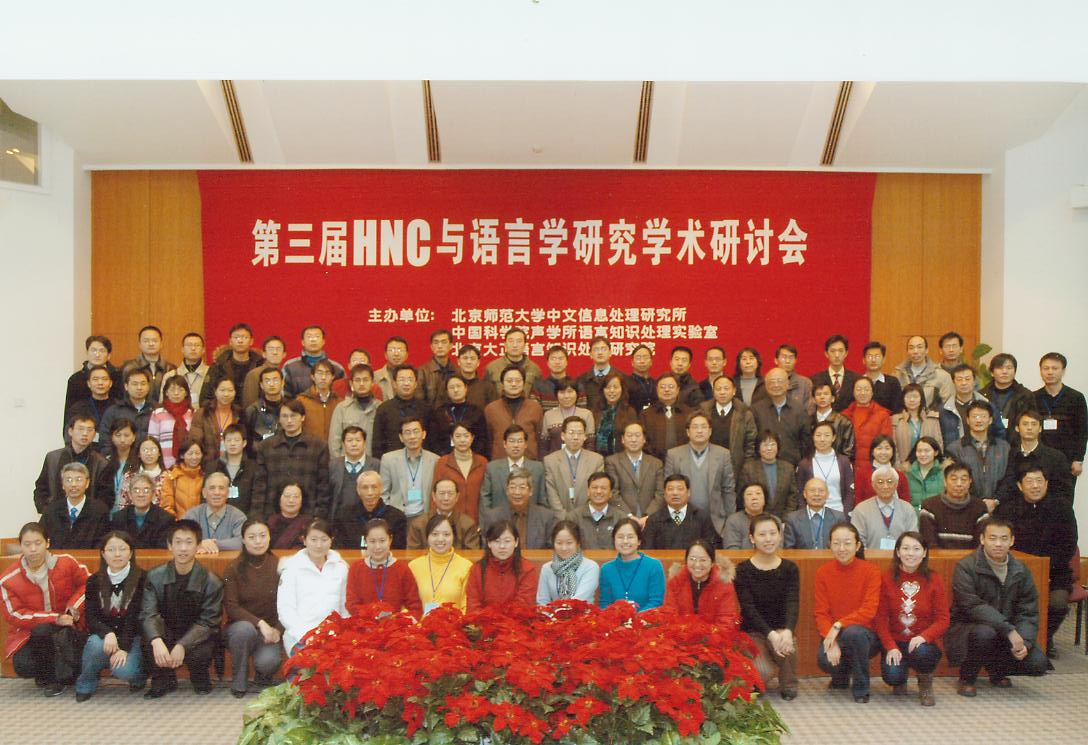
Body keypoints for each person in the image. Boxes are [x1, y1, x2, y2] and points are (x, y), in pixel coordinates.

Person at [946, 517, 1048, 696]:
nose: (998, 544)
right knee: (985, 633)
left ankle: (997, 671)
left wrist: (1025, 642)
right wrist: (1009, 630)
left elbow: (1028, 612)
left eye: (1004, 538)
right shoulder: (966, 566)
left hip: (1006, 631)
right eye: (992, 538)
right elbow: (972, 606)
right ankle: (967, 678)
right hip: (969, 630)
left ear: (1012, 541)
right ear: (982, 539)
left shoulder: (1021, 570)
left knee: (1038, 664)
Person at [994, 466, 1078, 657]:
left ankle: (1044, 639)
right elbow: (1002, 545)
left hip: (1054, 573)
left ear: (1046, 483)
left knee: (1058, 603)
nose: (1035, 486)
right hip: (1015, 572)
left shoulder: (1062, 508)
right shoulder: (1007, 510)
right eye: (1030, 481)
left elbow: (1068, 544)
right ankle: (1013, 641)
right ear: (1020, 485)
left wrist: (1045, 570)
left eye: (1039, 481)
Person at [0, 522, 89, 696]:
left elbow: (89, 585)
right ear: (20, 546)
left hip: (70, 626)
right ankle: (50, 676)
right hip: (31, 632)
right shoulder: (8, 579)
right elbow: (14, 614)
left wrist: (72, 609)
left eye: (38, 543)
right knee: (24, 664)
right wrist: (54, 618)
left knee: (52, 636)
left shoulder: (66, 562)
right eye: (27, 544)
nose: (33, 549)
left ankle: (60, 677)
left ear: (47, 543)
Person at [140, 520, 223, 697]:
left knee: (202, 651)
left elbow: (208, 622)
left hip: (196, 636)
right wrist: (156, 640)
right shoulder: (154, 576)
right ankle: (163, 679)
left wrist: (182, 645)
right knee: (150, 637)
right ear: (170, 546)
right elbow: (148, 614)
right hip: (166, 632)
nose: (183, 548)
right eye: (178, 542)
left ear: (198, 546)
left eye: (189, 542)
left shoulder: (212, 581)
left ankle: (199, 677)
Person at [875, 532, 949, 706]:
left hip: (923, 644)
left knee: (923, 653)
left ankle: (925, 681)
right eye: (906, 548)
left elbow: (943, 619)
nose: (910, 553)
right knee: (893, 676)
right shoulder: (886, 578)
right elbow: (880, 619)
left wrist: (924, 637)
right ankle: (901, 678)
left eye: (916, 549)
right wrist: (890, 647)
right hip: (896, 642)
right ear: (898, 552)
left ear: (924, 553)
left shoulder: (934, 579)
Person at [75, 530, 147, 701]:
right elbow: (91, 617)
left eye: (122, 549)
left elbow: (137, 618)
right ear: (103, 553)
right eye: (111, 549)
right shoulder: (94, 581)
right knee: (94, 645)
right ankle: (86, 684)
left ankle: (139, 677)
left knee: (124, 670)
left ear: (131, 553)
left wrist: (123, 647)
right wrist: (107, 633)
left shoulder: (143, 578)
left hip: (132, 637)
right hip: (105, 637)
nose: (117, 554)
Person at [814, 522, 882, 703]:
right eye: (836, 543)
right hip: (836, 633)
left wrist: (838, 625)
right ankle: (841, 676)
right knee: (824, 660)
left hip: (865, 636)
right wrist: (831, 639)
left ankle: (861, 688)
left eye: (847, 543)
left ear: (857, 545)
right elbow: (821, 613)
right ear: (829, 545)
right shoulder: (823, 572)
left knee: (854, 633)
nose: (842, 548)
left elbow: (868, 611)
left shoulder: (872, 571)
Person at [734, 514, 800, 700]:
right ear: (752, 538)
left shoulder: (790, 568)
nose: (768, 539)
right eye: (762, 534)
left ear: (780, 535)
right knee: (763, 673)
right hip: (754, 632)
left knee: (789, 645)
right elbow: (748, 609)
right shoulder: (742, 570)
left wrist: (787, 631)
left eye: (772, 533)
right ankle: (761, 672)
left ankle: (789, 683)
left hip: (780, 630)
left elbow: (793, 603)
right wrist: (770, 635)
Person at [223, 519, 283, 697]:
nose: (258, 541)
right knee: (245, 629)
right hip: (240, 630)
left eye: (262, 536)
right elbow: (232, 607)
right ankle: (239, 682)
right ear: (243, 539)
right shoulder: (233, 568)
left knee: (269, 662)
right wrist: (260, 623)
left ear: (270, 537)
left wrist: (278, 629)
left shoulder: (279, 566)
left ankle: (263, 677)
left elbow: (288, 604)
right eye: (252, 537)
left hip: (270, 631)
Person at [252, 399, 331, 519]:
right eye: (284, 416)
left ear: (303, 417)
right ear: (279, 419)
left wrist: (319, 516)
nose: (289, 420)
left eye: (293, 416)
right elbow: (259, 485)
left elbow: (323, 486)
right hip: (272, 515)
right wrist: (257, 516)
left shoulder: (318, 446)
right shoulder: (266, 447)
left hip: (308, 514)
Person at [277, 519, 348, 652]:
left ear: (331, 540)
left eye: (324, 539)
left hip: (335, 635)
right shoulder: (292, 568)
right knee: (314, 662)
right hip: (300, 636)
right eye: (313, 539)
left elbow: (345, 608)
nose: (319, 545)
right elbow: (286, 610)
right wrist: (305, 635)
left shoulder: (341, 568)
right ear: (304, 540)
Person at [664, 413, 736, 536]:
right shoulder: (674, 455)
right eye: (695, 427)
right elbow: (668, 492)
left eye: (703, 427)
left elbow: (728, 490)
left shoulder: (723, 454)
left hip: (716, 522)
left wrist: (730, 523)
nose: (699, 431)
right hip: (682, 522)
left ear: (710, 431)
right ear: (688, 432)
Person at [33, 414, 111, 515]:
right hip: (56, 515)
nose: (85, 433)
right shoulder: (53, 457)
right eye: (80, 429)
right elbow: (41, 488)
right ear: (70, 431)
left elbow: (105, 495)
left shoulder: (101, 463)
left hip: (88, 517)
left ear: (94, 434)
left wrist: (95, 514)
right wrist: (46, 511)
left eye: (89, 430)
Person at [346, 518, 423, 617]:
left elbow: (415, 606)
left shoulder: (402, 569)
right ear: (365, 541)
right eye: (372, 541)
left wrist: (398, 620)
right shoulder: (356, 569)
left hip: (395, 624)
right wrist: (373, 614)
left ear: (390, 540)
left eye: (382, 541)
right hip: (364, 623)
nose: (377, 546)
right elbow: (352, 604)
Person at [996, 410, 1073, 503]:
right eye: (1025, 424)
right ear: (1017, 428)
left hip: (1047, 508)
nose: (1029, 428)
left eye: (1034, 424)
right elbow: (1006, 485)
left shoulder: (1056, 457)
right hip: (1015, 508)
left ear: (1040, 428)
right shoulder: (1009, 455)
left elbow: (1064, 490)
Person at [1034, 352, 1087, 488]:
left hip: (1067, 459)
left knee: (1064, 497)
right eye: (1046, 368)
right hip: (1040, 458)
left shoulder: (1076, 397)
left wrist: (1078, 459)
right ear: (1040, 371)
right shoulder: (1033, 397)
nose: (1050, 372)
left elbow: (1082, 430)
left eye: (1055, 368)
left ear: (1063, 371)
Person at [946, 401, 1010, 509]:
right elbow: (957, 480)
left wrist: (995, 500)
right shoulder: (954, 449)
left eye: (983, 416)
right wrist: (978, 503)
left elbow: (1009, 478)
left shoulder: (1004, 447)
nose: (979, 420)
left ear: (990, 420)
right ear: (967, 420)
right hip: (967, 507)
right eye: (975, 416)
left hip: (999, 507)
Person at [665, 539, 740, 629]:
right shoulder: (675, 581)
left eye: (703, 560)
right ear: (686, 561)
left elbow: (727, 619)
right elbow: (669, 614)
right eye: (692, 559)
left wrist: (706, 635)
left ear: (712, 563)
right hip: (680, 632)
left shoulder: (723, 583)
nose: (697, 564)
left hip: (715, 634)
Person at [466, 520, 540, 612]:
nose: (502, 546)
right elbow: (473, 605)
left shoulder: (527, 569)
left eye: (507, 541)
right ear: (489, 543)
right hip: (483, 620)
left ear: (516, 542)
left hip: (517, 620)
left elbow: (524, 605)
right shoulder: (477, 570)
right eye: (497, 541)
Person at [408, 514, 474, 614]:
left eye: (446, 534)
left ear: (454, 537)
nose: (440, 539)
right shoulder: (414, 566)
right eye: (435, 534)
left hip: (454, 622)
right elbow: (407, 605)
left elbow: (467, 607)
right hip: (420, 623)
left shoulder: (466, 567)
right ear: (427, 537)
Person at [604, 422, 665, 527]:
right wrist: (629, 515)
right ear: (622, 439)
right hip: (622, 518)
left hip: (651, 519)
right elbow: (613, 492)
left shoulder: (656, 463)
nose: (633, 439)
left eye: (637, 435)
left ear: (644, 439)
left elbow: (661, 492)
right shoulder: (612, 461)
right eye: (629, 435)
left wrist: (648, 516)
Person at [598, 517, 665, 612]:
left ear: (639, 541)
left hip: (647, 619)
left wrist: (634, 618)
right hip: (616, 619)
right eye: (620, 537)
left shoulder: (654, 566)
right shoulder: (607, 569)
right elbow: (605, 604)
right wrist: (616, 618)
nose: (625, 541)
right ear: (614, 540)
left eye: (630, 537)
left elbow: (656, 602)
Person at [543, 415, 606, 516]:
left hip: (587, 517)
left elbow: (597, 491)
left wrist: (582, 517)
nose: (576, 437)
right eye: (571, 433)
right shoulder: (550, 460)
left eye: (580, 433)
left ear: (585, 436)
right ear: (563, 436)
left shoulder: (596, 460)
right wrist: (563, 517)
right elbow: (551, 493)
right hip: (559, 518)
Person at [480, 467, 557, 549]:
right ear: (507, 491)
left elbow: (551, 550)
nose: (517, 492)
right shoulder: (493, 517)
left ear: (531, 491)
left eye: (522, 487)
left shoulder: (546, 517)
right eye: (512, 487)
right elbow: (486, 548)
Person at [479, 424, 547, 517]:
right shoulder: (492, 468)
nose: (516, 445)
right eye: (512, 441)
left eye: (519, 441)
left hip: (530, 521)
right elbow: (485, 500)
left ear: (526, 444)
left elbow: (542, 500)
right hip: (499, 522)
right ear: (505, 444)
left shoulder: (538, 468)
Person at [842, 377, 893, 501]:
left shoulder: (882, 415)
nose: (862, 393)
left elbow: (885, 445)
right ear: (853, 392)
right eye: (859, 389)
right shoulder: (844, 416)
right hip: (849, 469)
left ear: (872, 392)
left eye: (866, 389)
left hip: (874, 469)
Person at [380, 416, 440, 521]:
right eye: (407, 433)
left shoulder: (435, 460)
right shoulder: (388, 459)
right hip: (397, 517)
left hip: (425, 517)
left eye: (416, 432)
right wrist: (390, 515)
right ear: (401, 437)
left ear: (424, 434)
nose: (412, 436)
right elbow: (383, 493)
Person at [40, 462, 111, 550]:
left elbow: (104, 543)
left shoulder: (100, 510)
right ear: (62, 484)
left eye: (78, 480)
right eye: (69, 480)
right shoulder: (51, 510)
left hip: (89, 557)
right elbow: (41, 537)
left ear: (87, 483)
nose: (73, 484)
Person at [918, 462, 989, 549]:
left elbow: (980, 545)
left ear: (970, 482)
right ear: (945, 481)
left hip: (971, 557)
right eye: (954, 479)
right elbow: (929, 544)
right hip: (937, 557)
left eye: (964, 479)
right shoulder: (929, 506)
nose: (959, 484)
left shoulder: (979, 507)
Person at [332, 470, 407, 550]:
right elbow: (339, 549)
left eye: (374, 487)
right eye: (365, 487)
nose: (370, 493)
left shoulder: (397, 517)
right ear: (358, 490)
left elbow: (399, 551)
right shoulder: (344, 516)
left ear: (381, 489)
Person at [371, 365, 434, 460]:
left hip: (421, 461)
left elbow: (433, 441)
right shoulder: (384, 409)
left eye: (410, 380)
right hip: (393, 462)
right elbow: (377, 444)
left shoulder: (426, 409)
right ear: (394, 384)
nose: (406, 383)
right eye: (402, 380)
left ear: (416, 384)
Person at [751, 367, 811, 466]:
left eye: (779, 381)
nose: (776, 385)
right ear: (766, 385)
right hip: (763, 465)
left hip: (793, 464)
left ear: (787, 384)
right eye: (772, 382)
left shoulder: (799, 409)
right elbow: (751, 440)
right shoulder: (756, 410)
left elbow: (806, 440)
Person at [700, 374, 758, 476]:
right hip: (707, 465)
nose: (722, 392)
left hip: (736, 467)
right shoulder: (703, 412)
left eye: (726, 389)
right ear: (713, 392)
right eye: (718, 389)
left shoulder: (745, 414)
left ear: (734, 391)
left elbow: (751, 443)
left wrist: (747, 466)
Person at [642, 474, 719, 550]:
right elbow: (647, 550)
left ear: (688, 493)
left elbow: (711, 546)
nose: (675, 493)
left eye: (680, 489)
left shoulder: (701, 517)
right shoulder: (654, 520)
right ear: (664, 494)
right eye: (670, 489)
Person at [850, 466, 919, 549]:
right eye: (880, 482)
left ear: (896, 484)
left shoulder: (907, 509)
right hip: (870, 556)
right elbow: (858, 542)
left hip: (900, 556)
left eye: (890, 482)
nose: (885, 486)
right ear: (873, 485)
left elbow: (913, 539)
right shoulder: (861, 510)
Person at [484, 366, 545, 461]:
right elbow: (488, 439)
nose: (514, 384)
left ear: (524, 383)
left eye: (518, 380)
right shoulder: (491, 409)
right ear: (502, 383)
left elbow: (540, 438)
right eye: (509, 381)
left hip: (529, 462)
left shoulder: (535, 407)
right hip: (500, 463)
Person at [64, 336, 122, 433]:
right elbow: (69, 411)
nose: (97, 354)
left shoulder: (117, 377)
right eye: (93, 350)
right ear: (87, 353)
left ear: (109, 355)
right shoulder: (76, 379)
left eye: (102, 350)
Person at [795, 421, 855, 515]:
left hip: (838, 511)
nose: (822, 439)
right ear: (813, 437)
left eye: (827, 435)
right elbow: (800, 493)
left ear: (833, 438)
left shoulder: (844, 462)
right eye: (818, 435)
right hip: (813, 513)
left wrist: (845, 514)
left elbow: (849, 491)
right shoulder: (804, 464)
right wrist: (804, 515)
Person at [432, 422, 488, 522]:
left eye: (466, 436)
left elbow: (487, 496)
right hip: (449, 521)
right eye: (458, 436)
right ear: (452, 439)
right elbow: (435, 495)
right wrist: (435, 521)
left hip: (477, 520)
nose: (462, 440)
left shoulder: (483, 462)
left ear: (472, 438)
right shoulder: (442, 462)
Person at [536, 520, 601, 605]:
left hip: (583, 613)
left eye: (569, 543)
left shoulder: (591, 567)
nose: (564, 548)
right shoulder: (547, 568)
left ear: (578, 543)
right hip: (552, 613)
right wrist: (548, 613)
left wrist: (560, 611)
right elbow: (542, 601)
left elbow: (579, 600)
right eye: (559, 543)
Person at [738, 431, 800, 518]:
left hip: (783, 519)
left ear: (778, 447)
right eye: (765, 445)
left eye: (772, 444)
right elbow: (743, 496)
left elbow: (792, 496)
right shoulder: (749, 469)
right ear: (758, 448)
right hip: (756, 518)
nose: (769, 448)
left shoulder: (788, 468)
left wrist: (787, 518)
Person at [406, 478, 481, 550]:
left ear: (457, 497)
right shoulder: (419, 524)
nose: (446, 498)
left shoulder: (468, 524)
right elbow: (412, 554)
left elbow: (472, 554)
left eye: (450, 493)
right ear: (434, 496)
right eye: (442, 493)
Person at [940, 364, 1005, 446]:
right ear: (953, 382)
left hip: (984, 452)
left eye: (967, 379)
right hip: (953, 453)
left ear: (974, 381)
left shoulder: (988, 406)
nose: (964, 383)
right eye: (959, 379)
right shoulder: (945, 409)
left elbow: (1000, 433)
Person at [183, 472, 246, 554]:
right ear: (204, 493)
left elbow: (243, 541)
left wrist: (215, 544)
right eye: (212, 488)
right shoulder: (192, 515)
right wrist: (199, 544)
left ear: (228, 493)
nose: (217, 492)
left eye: (221, 488)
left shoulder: (238, 516)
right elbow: (181, 540)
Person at [327, 425, 381, 519]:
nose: (354, 444)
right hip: (338, 518)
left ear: (364, 443)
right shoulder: (333, 465)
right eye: (349, 440)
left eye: (358, 440)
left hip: (367, 518)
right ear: (343, 444)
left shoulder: (376, 465)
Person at [204, 323, 265, 407]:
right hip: (225, 411)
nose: (240, 341)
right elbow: (206, 397)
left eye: (244, 337)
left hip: (254, 411)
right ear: (230, 341)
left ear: (251, 341)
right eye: (236, 337)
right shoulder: (219, 365)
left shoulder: (260, 365)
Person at [428, 375, 489, 458]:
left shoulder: (476, 411)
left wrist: (471, 455)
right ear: (447, 391)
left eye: (459, 386)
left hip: (472, 457)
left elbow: (482, 438)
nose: (455, 390)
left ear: (466, 388)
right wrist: (445, 456)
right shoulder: (440, 412)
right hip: (445, 458)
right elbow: (433, 440)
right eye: (451, 387)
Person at [328, 364, 381, 459]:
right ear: (351, 383)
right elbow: (334, 443)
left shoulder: (381, 408)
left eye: (365, 380)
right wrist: (339, 464)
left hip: (374, 464)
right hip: (347, 464)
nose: (361, 384)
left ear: (373, 382)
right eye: (357, 380)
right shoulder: (342, 408)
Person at [189, 377, 241, 471]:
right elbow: (195, 441)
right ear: (215, 391)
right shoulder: (203, 413)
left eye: (230, 390)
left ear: (235, 392)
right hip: (207, 465)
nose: (226, 394)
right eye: (222, 390)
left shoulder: (239, 414)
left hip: (234, 465)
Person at [111, 473, 174, 549]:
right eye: (136, 490)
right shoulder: (119, 517)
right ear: (130, 495)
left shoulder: (165, 519)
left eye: (146, 490)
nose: (141, 494)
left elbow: (163, 551)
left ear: (153, 494)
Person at [981, 353, 1036, 437]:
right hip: (989, 441)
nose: (1004, 371)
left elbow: (1033, 421)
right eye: (1000, 368)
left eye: (1009, 368)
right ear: (992, 372)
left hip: (1017, 441)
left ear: (1015, 372)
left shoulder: (1025, 395)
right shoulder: (982, 395)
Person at [890, 383, 943, 469]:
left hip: (929, 467)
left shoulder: (932, 419)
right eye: (908, 397)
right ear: (903, 399)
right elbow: (893, 446)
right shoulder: (895, 420)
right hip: (904, 467)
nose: (912, 400)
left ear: (921, 399)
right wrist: (899, 467)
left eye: (915, 397)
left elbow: (938, 444)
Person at [282, 325, 345, 397]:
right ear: (303, 342)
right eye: (309, 337)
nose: (313, 340)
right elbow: (284, 395)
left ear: (323, 341)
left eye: (317, 336)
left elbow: (343, 396)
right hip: (297, 404)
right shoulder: (290, 367)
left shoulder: (337, 368)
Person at [98, 366, 154, 448]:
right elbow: (104, 438)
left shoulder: (156, 410)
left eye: (143, 384)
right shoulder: (114, 411)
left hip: (148, 454)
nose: (139, 388)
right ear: (126, 386)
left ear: (148, 386)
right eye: (135, 384)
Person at [569, 471, 626, 550]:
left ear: (610, 493)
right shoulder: (573, 517)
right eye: (595, 488)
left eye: (603, 488)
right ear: (588, 491)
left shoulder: (620, 518)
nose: (599, 491)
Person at [783, 478, 846, 549]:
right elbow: (789, 549)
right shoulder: (792, 519)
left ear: (827, 494)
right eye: (812, 490)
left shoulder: (838, 518)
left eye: (821, 491)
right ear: (804, 494)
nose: (817, 494)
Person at [894, 335, 954, 409]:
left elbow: (948, 404)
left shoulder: (942, 376)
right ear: (907, 351)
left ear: (926, 350)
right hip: (904, 415)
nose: (915, 351)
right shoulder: (897, 374)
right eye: (911, 348)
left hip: (932, 415)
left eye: (919, 347)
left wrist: (933, 414)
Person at [147, 376, 194, 469]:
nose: (176, 393)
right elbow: (152, 441)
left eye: (180, 390)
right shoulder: (157, 413)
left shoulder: (193, 414)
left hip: (188, 463)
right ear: (166, 392)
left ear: (186, 393)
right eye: (172, 390)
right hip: (163, 463)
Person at [210, 423, 258, 515]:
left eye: (236, 440)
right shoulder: (213, 467)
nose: (232, 443)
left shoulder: (253, 468)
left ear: (244, 443)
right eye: (229, 440)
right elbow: (206, 495)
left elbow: (257, 496)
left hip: (245, 517)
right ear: (224, 442)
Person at [540, 378, 596, 457]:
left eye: (570, 391)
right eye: (562, 392)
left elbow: (590, 444)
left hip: (581, 460)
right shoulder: (548, 415)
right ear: (556, 394)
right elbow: (544, 446)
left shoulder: (586, 414)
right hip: (554, 461)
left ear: (577, 393)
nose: (566, 396)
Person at [122, 325, 176, 406]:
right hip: (135, 410)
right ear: (139, 344)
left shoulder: (170, 368)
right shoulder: (129, 367)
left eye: (155, 340)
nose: (151, 344)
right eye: (146, 341)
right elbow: (124, 394)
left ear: (161, 343)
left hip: (164, 411)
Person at [640, 374, 691, 459]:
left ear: (678, 390)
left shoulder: (689, 413)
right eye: (662, 387)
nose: (667, 390)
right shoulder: (646, 414)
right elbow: (643, 440)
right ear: (657, 390)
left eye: (671, 387)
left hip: (684, 460)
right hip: (654, 461)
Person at [589, 371, 640, 457]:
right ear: (603, 390)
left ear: (622, 389)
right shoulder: (595, 411)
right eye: (608, 387)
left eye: (615, 387)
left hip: (620, 458)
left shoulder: (629, 412)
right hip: (597, 458)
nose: (612, 391)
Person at [753, 344, 814, 413]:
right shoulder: (766, 382)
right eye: (784, 357)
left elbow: (809, 409)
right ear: (776, 360)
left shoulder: (805, 383)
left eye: (791, 358)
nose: (788, 361)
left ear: (795, 360)